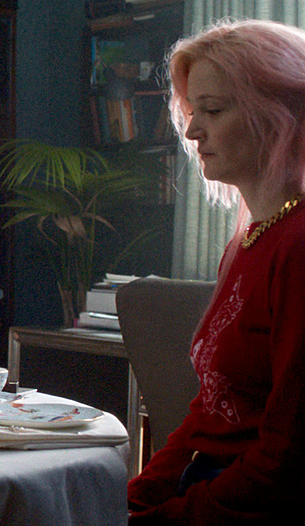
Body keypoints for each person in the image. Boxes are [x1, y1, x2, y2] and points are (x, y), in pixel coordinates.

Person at [128, 19, 305, 523]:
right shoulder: (251, 234)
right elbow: (209, 415)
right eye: (191, 110)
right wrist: (134, 498)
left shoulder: (298, 244)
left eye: (212, 110)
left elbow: (286, 458)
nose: (190, 130)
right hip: (212, 489)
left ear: (279, 116)